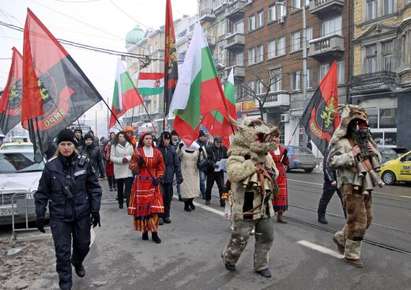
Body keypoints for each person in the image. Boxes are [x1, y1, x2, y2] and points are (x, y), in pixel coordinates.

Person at [34, 129, 102, 290]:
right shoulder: (50, 167)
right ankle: (65, 285)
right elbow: (42, 192)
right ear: (58, 146)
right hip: (59, 217)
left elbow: (94, 188)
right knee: (62, 253)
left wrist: (95, 209)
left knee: (84, 245)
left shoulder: (84, 163)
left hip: (82, 214)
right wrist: (39, 213)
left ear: (74, 145)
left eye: (69, 144)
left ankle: (77, 261)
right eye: (63, 144)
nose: (66, 147)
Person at [222, 118, 278, 278]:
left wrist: (268, 171)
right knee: (241, 237)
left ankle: (261, 265)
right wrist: (253, 163)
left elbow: (276, 172)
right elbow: (234, 174)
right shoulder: (237, 154)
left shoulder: (266, 155)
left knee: (267, 235)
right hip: (246, 203)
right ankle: (229, 257)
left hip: (265, 202)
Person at [329, 105, 382, 268]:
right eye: (356, 123)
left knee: (368, 219)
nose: (359, 127)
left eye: (362, 124)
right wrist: (351, 154)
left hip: (366, 184)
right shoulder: (342, 142)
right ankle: (351, 254)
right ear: (350, 124)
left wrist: (374, 152)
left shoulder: (366, 141)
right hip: (350, 185)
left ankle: (341, 237)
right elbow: (333, 161)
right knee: (358, 220)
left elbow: (378, 162)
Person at [128, 132, 165, 243]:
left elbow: (161, 166)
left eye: (150, 138)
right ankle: (144, 230)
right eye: (146, 138)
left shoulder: (157, 152)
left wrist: (158, 178)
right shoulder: (138, 152)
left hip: (154, 183)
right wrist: (137, 164)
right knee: (144, 209)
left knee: (155, 209)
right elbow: (132, 167)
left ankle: (154, 233)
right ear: (143, 140)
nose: (149, 140)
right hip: (141, 183)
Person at [158, 131, 183, 224]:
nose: (166, 141)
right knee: (160, 197)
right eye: (165, 139)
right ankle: (159, 216)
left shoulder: (172, 150)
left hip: (169, 177)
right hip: (159, 178)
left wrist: (179, 176)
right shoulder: (157, 150)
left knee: (168, 197)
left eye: (168, 139)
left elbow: (177, 164)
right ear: (162, 139)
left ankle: (166, 215)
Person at [317, 149, 345, 224]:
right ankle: (321, 216)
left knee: (345, 199)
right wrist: (332, 179)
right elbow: (326, 167)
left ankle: (349, 218)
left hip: (341, 179)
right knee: (325, 199)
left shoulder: (343, 149)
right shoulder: (330, 151)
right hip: (330, 181)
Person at [269, 129, 289, 223]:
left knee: (281, 195)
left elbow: (286, 162)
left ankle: (280, 216)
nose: (277, 139)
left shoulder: (282, 149)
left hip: (281, 173)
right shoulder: (268, 149)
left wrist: (285, 155)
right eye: (275, 137)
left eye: (278, 137)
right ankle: (268, 215)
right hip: (272, 172)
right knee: (271, 194)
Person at [110, 131, 134, 209]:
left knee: (128, 189)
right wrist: (121, 160)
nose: (121, 138)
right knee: (120, 189)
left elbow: (133, 155)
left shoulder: (130, 145)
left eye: (123, 136)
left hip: (128, 169)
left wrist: (127, 158)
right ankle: (120, 202)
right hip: (119, 169)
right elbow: (112, 157)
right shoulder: (114, 146)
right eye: (120, 136)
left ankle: (128, 204)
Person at [178, 142, 201, 212]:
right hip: (185, 172)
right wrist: (179, 148)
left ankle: (191, 201)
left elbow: (202, 158)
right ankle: (186, 204)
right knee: (186, 189)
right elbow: (177, 155)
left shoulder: (196, 146)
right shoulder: (182, 146)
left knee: (194, 188)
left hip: (194, 172)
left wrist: (201, 151)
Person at [205, 137, 228, 207]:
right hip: (211, 171)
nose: (219, 144)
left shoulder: (224, 149)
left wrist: (224, 165)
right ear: (214, 142)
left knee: (223, 187)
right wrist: (213, 164)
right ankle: (207, 199)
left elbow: (226, 158)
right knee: (209, 186)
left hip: (220, 171)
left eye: (220, 143)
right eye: (217, 143)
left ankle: (223, 201)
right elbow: (207, 159)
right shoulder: (209, 148)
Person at [197, 130, 208, 199]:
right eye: (203, 136)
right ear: (200, 137)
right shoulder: (197, 144)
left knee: (204, 180)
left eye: (204, 136)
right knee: (202, 179)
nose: (204, 137)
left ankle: (203, 192)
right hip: (200, 164)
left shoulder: (206, 143)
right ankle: (204, 193)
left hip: (206, 164)